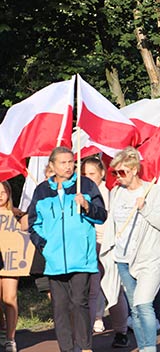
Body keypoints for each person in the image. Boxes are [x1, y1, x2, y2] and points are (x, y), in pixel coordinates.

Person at [28, 146, 107, 352]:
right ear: (52, 166)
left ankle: (84, 347)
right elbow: (34, 223)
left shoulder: (86, 185)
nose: (68, 166)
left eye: (71, 162)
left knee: (79, 303)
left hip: (81, 258)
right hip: (54, 261)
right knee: (60, 308)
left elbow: (101, 215)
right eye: (63, 162)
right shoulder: (42, 191)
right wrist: (45, 247)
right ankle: (67, 348)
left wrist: (88, 207)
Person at [100, 146, 160, 352]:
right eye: (115, 173)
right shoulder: (116, 193)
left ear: (133, 170)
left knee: (143, 304)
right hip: (123, 259)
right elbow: (113, 223)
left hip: (149, 259)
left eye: (121, 172)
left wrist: (145, 208)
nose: (118, 177)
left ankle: (149, 348)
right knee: (135, 310)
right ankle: (143, 345)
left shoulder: (153, 190)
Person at [81, 157, 130, 348]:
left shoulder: (111, 194)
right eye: (84, 174)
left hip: (109, 247)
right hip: (89, 248)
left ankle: (121, 331)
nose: (87, 177)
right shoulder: (79, 193)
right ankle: (87, 336)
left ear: (102, 173)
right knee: (91, 292)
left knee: (114, 290)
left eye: (92, 173)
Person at [0, 181, 27, 352]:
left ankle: (10, 338)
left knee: (9, 298)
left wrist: (23, 215)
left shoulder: (15, 214)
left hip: (11, 260)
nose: (0, 195)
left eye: (3, 192)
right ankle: (2, 327)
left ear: (9, 193)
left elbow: (27, 228)